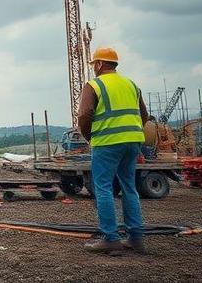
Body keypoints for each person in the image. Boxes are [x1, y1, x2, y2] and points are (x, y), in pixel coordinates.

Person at [76, 47, 150, 255]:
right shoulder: (131, 84)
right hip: (133, 141)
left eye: (94, 65)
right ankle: (135, 238)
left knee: (103, 187)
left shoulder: (94, 85)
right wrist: (132, 132)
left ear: (99, 64)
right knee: (129, 187)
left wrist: (91, 136)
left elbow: (84, 115)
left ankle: (111, 238)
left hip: (107, 142)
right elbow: (144, 115)